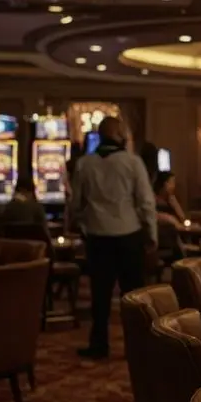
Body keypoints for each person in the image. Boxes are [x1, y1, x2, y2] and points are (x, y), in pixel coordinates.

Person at [70, 116, 157, 359]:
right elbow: (146, 203)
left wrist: (83, 225)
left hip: (98, 236)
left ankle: (99, 344)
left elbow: (76, 204)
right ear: (121, 135)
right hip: (128, 234)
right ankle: (139, 347)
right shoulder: (132, 162)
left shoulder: (85, 164)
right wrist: (151, 235)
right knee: (134, 298)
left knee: (100, 296)